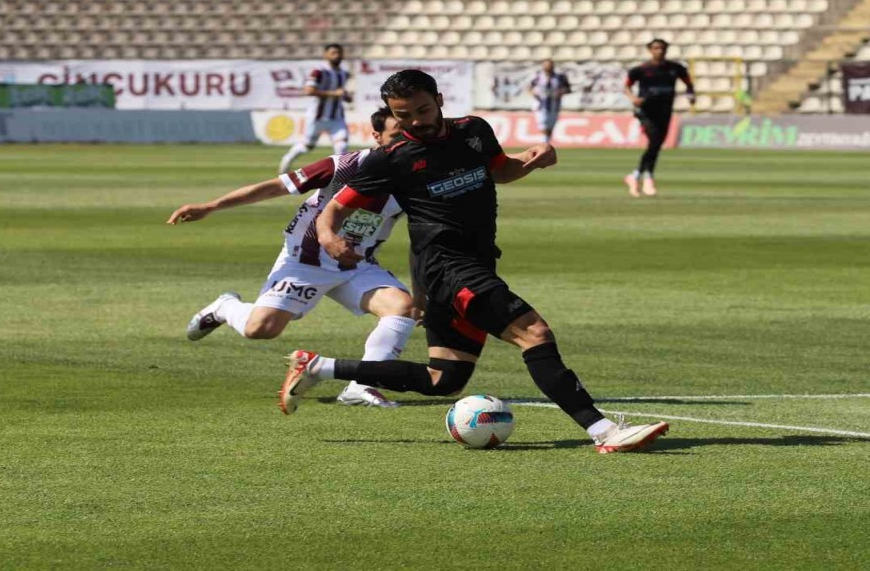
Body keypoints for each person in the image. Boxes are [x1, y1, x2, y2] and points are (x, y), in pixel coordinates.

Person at [278, 69, 670, 454]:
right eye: (403, 115)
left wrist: (531, 160)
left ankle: (319, 367)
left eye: (423, 110)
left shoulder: (474, 131)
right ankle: (603, 431)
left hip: (471, 265)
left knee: (442, 380)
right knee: (533, 333)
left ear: (440, 101)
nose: (416, 121)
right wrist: (328, 237)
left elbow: (500, 171)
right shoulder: (390, 160)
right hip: (448, 268)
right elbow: (334, 211)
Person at [169, 106, 419, 408]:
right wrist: (211, 206)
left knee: (403, 307)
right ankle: (226, 306)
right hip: (307, 261)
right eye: (395, 136)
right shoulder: (343, 166)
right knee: (261, 330)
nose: (403, 142)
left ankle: (361, 386)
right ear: (376, 136)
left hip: (357, 265)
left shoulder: (415, 179)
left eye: (409, 135)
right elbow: (274, 187)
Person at [622, 38, 694, 197]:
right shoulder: (641, 69)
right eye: (655, 48)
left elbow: (688, 83)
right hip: (646, 111)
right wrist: (633, 98)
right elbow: (626, 86)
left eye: (662, 48)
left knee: (656, 145)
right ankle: (646, 178)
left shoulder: (675, 68)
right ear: (650, 50)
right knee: (654, 142)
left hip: (665, 111)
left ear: (666, 50)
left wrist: (691, 94)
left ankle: (637, 176)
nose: (659, 51)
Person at [279, 43, 354, 173]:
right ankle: (287, 159)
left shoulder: (343, 73)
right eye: (333, 53)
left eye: (339, 53)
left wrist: (345, 96)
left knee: (342, 145)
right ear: (326, 55)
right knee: (307, 146)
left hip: (337, 117)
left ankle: (340, 175)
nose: (337, 56)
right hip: (317, 116)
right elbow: (309, 90)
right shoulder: (319, 71)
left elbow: (340, 93)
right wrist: (334, 93)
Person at [526, 59, 571, 144]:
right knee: (543, 124)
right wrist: (533, 93)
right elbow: (528, 88)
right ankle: (544, 144)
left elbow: (568, 89)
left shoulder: (560, 77)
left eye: (550, 65)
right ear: (543, 66)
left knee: (550, 127)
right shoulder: (537, 76)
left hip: (554, 106)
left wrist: (561, 92)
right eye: (546, 65)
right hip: (540, 105)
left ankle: (546, 144)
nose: (548, 67)